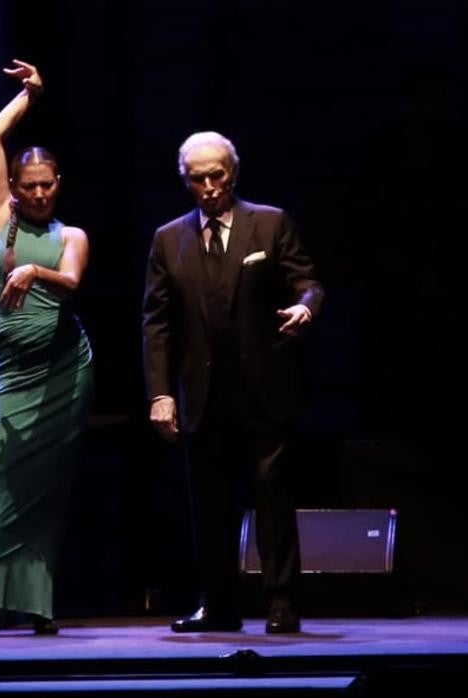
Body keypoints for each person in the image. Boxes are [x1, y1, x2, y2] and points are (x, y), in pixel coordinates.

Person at [142, 132, 324, 634]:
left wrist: (306, 307)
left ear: (233, 173)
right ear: (186, 181)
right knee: (210, 505)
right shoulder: (168, 238)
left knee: (271, 496)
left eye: (216, 175)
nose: (208, 186)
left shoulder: (267, 222)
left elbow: (307, 280)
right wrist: (160, 393)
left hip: (263, 388)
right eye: (197, 178)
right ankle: (218, 603)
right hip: (202, 393)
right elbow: (157, 322)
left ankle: (281, 602)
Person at [0, 60, 94, 638]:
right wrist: (29, 97)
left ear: (58, 186)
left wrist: (36, 269)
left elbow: (75, 283)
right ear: (14, 187)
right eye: (27, 185)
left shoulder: (71, 237)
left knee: (44, 492)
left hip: (64, 371)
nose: (36, 194)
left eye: (46, 185)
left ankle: (36, 603)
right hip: (11, 374)